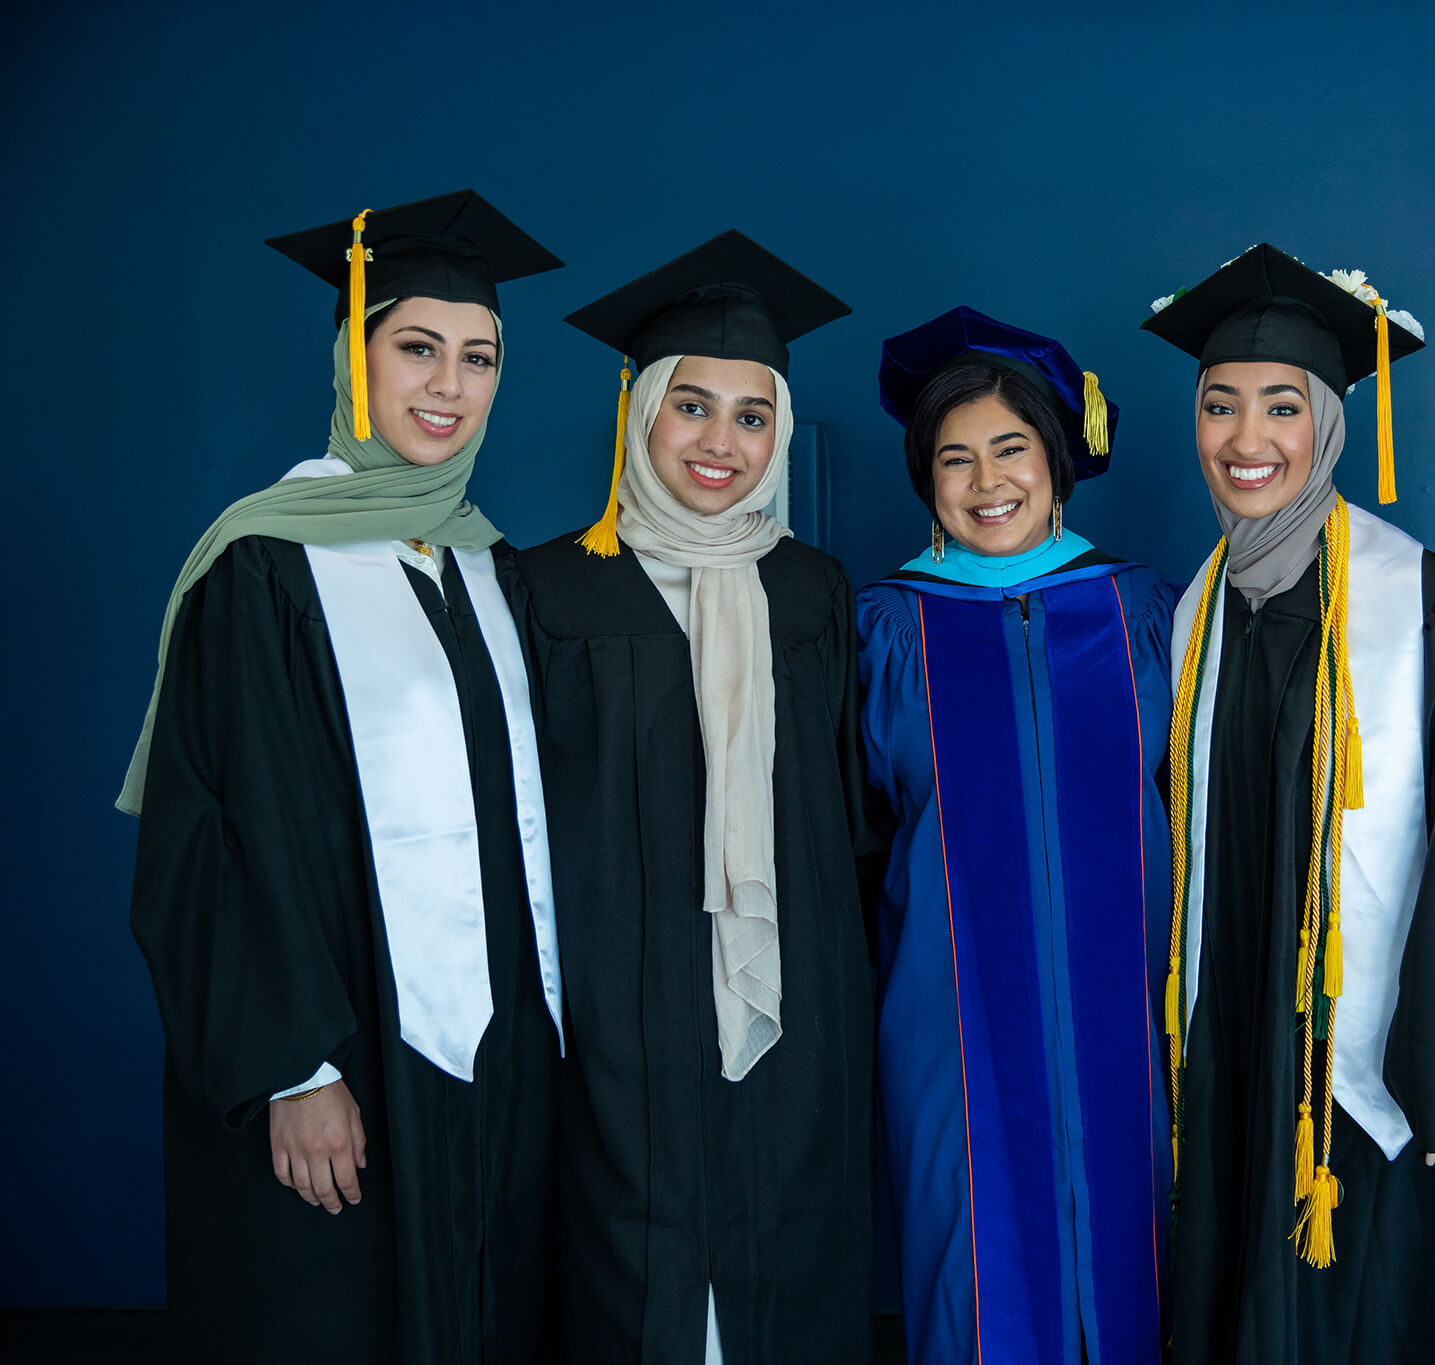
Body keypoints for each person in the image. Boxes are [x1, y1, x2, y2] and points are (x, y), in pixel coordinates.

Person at [123, 190, 566, 1363]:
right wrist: (292, 1066)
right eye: (416, 347)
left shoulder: (489, 562)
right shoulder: (262, 563)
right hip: (345, 1053)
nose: (449, 386)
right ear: (353, 357)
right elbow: (206, 834)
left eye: (480, 358)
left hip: (499, 1062)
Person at [511, 230, 874, 1361]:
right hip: (614, 998)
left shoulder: (810, 589)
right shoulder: (548, 584)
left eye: (751, 415)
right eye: (692, 407)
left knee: (790, 1237)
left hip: (793, 990)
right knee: (626, 1249)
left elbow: (848, 815)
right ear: (641, 409)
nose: (721, 442)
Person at [1142, 245, 1435, 1362]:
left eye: (1279, 407)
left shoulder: (1423, 605)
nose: (1245, 441)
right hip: (1234, 1043)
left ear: (1332, 425)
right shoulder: (1196, 610)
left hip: (1371, 1070)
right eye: (1218, 408)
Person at [858, 306, 1175, 1365]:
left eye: (1011, 447)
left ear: (1054, 458)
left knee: (1133, 1246)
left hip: (1123, 1011)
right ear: (925, 478)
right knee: (969, 1259)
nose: (987, 480)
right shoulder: (885, 628)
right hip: (946, 1018)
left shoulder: (1140, 610)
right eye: (954, 458)